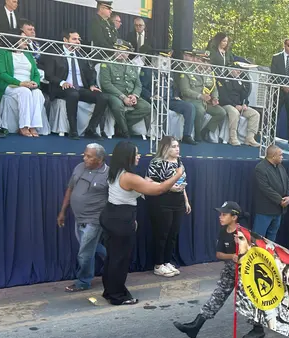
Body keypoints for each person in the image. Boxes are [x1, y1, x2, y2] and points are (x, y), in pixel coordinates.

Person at [100, 141, 183, 305]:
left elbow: (133, 191)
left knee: (113, 257)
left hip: (113, 215)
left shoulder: (116, 172)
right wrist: (177, 175)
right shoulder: (129, 177)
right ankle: (117, 296)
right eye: (136, 153)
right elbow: (158, 190)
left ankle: (110, 290)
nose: (139, 156)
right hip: (120, 218)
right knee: (120, 259)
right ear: (127, 156)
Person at [173, 201, 266, 338]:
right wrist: (232, 256)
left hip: (245, 272)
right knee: (217, 296)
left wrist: (241, 245)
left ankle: (258, 328)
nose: (220, 217)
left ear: (234, 217)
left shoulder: (244, 233)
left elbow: (255, 254)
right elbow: (218, 254)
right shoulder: (223, 231)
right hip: (229, 269)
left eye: (224, 214)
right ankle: (196, 325)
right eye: (220, 214)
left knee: (249, 300)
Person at [57, 144, 109, 292]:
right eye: (85, 154)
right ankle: (114, 259)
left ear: (100, 159)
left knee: (85, 253)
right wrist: (63, 212)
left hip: (94, 220)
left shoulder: (108, 174)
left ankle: (83, 281)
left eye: (89, 156)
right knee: (88, 248)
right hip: (78, 217)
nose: (84, 158)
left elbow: (114, 198)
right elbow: (70, 189)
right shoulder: (79, 167)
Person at [41, 29, 107, 140]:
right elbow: (49, 74)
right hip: (61, 87)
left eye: (78, 39)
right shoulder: (55, 53)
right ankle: (73, 130)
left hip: (80, 88)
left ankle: (91, 128)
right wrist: (62, 82)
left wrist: (91, 84)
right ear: (65, 40)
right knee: (73, 94)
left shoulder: (81, 55)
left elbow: (90, 72)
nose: (78, 42)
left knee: (103, 97)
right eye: (74, 39)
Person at [146, 136, 191, 277]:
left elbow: (182, 182)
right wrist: (168, 187)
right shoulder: (157, 162)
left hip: (177, 201)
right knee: (162, 233)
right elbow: (148, 181)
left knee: (173, 233)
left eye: (178, 146)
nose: (177, 149)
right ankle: (158, 264)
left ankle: (166, 261)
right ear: (165, 148)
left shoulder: (179, 162)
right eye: (173, 146)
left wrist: (186, 200)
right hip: (161, 201)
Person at [0, 28, 44, 137]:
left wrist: (35, 83)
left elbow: (36, 73)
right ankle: (23, 126)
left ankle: (33, 125)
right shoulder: (3, 52)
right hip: (10, 85)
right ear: (14, 40)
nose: (26, 41)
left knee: (37, 93)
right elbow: (2, 73)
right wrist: (20, 83)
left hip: (28, 85)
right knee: (24, 92)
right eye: (23, 39)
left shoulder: (28, 54)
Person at [139, 55, 196, 145]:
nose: (165, 62)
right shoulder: (148, 70)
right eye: (163, 59)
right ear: (156, 60)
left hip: (170, 98)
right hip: (156, 98)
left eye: (167, 60)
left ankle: (186, 135)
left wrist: (176, 95)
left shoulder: (170, 72)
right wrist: (151, 96)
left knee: (189, 107)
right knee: (162, 105)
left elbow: (174, 87)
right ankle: (164, 135)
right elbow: (141, 87)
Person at [100, 41, 150, 138]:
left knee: (147, 107)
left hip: (130, 94)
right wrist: (123, 97)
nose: (120, 53)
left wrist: (135, 95)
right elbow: (106, 84)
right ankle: (125, 131)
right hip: (114, 94)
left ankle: (120, 125)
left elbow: (138, 84)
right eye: (117, 50)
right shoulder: (107, 63)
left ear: (128, 54)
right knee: (118, 106)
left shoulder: (132, 65)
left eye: (123, 52)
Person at [176, 50, 225, 143]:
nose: (204, 63)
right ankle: (198, 136)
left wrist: (215, 98)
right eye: (202, 60)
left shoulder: (209, 73)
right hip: (192, 100)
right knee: (200, 110)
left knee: (221, 112)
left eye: (206, 61)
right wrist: (200, 96)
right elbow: (185, 90)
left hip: (206, 102)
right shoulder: (186, 71)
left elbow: (214, 88)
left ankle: (205, 131)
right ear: (195, 59)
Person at [252, 144, 289, 240]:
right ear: (273, 156)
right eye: (280, 155)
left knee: (271, 239)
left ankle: (270, 254)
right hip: (265, 211)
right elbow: (265, 188)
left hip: (278, 210)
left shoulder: (281, 167)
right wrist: (280, 200)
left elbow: (288, 182)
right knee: (257, 238)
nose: (282, 157)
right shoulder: (260, 168)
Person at [217, 66, 261, 147]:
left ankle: (250, 138)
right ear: (230, 69)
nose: (239, 72)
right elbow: (223, 97)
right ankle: (232, 137)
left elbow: (245, 96)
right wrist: (234, 105)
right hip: (227, 105)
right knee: (234, 112)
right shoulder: (222, 78)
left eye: (240, 70)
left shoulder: (240, 80)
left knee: (255, 114)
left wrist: (245, 104)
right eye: (237, 69)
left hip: (240, 106)